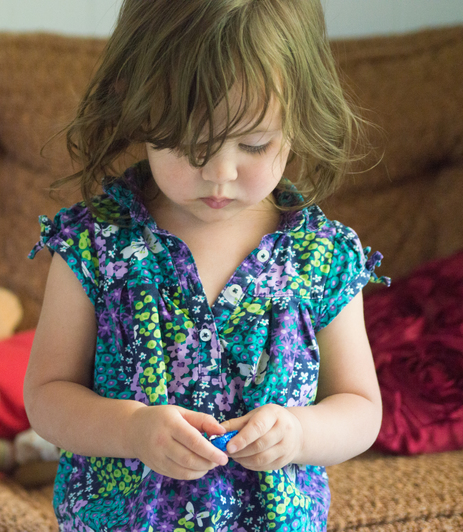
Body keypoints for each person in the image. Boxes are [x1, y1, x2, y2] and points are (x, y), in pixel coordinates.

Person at [24, 0, 389, 530]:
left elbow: (361, 407)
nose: (220, 175)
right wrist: (131, 430)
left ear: (299, 118)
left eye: (254, 144)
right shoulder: (95, 243)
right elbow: (47, 396)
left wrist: (299, 433)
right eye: (193, 148)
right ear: (142, 111)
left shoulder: (321, 256)